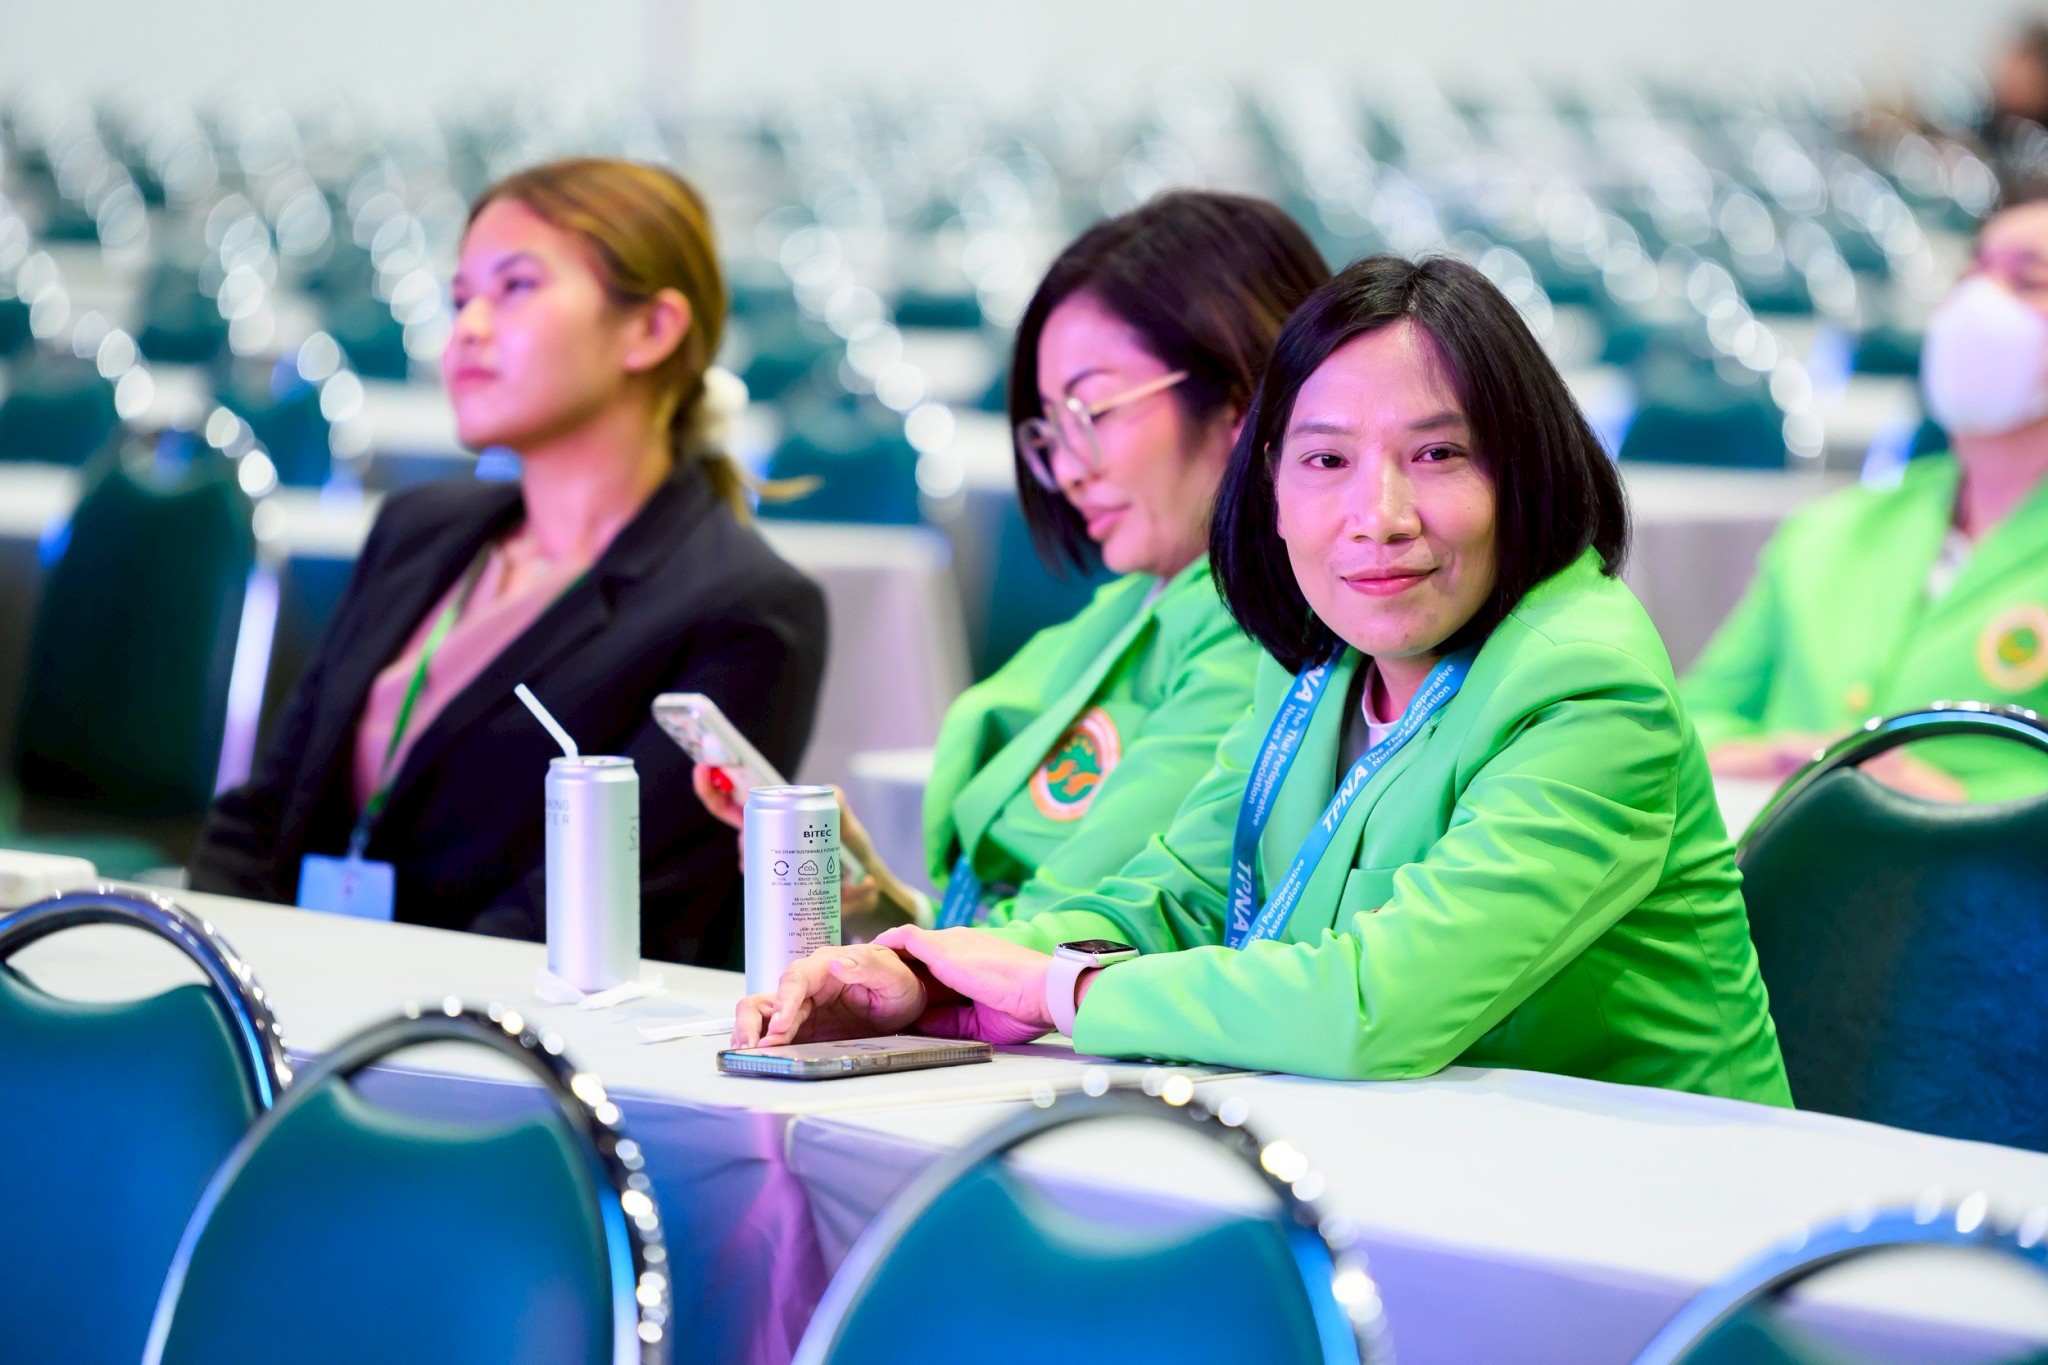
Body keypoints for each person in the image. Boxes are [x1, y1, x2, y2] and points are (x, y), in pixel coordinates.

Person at [729, 254, 1792, 1104]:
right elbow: (1175, 898)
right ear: (1270, 485)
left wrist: (1054, 989)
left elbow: (1376, 1004)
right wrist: (928, 975)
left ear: (1526, 471)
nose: (1379, 516)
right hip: (1427, 1162)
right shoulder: (1319, 661)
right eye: (1326, 462)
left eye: (1437, 455)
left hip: (1656, 1218)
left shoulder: (1583, 681)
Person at [191, 158, 826, 966]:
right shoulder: (418, 528)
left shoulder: (744, 608)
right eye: (461, 299)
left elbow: (590, 919)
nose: (468, 329)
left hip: (487, 1028)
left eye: (516, 287)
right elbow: (265, 811)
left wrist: (352, 1003)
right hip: (290, 992)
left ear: (651, 329)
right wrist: (207, 968)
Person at [695, 191, 1328, 929]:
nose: (1064, 469)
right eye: (1049, 429)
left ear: (1242, 396)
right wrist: (878, 906)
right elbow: (1035, 936)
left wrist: (906, 954)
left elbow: (1090, 937)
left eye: (1093, 413)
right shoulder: (1133, 606)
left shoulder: (1254, 634)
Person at [1685, 199, 2048, 803]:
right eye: (1970, 274)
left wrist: (1963, 805)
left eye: (2029, 280)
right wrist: (1788, 757)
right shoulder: (1828, 530)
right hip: (1788, 855)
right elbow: (1689, 723)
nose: (1977, 303)